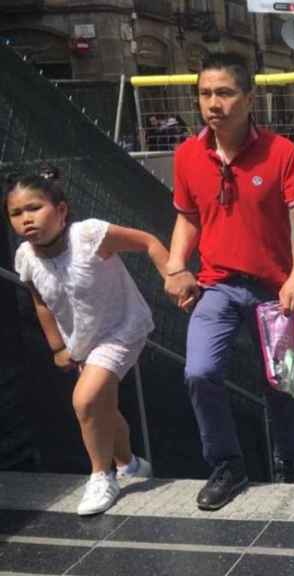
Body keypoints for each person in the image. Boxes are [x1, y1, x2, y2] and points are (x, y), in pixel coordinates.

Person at [163, 52, 294, 511]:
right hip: (218, 285)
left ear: (249, 98)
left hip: (275, 292)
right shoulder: (188, 155)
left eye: (225, 93)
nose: (214, 104)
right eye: (206, 94)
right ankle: (227, 465)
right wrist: (175, 265)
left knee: (282, 384)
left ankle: (288, 462)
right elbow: (186, 218)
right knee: (200, 371)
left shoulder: (281, 152)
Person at [7, 170, 168, 515]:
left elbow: (148, 242)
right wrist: (57, 346)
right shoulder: (25, 257)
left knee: (84, 401)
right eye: (16, 213)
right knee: (102, 407)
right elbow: (39, 299)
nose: (26, 219)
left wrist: (175, 275)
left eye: (34, 208)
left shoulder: (90, 234)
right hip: (83, 340)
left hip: (122, 328)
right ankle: (130, 465)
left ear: (62, 210)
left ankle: (101, 475)